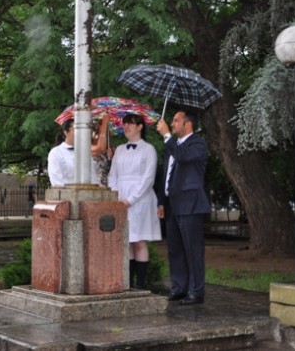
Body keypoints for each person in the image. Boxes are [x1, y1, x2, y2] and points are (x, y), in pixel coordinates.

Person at [156, 111, 210, 305]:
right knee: (175, 250)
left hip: (190, 205)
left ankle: (196, 291)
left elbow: (184, 158)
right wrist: (161, 201)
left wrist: (166, 136)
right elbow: (166, 175)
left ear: (188, 124)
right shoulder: (173, 146)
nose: (172, 123)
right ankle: (179, 287)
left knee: (193, 249)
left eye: (176, 120)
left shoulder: (197, 143)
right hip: (172, 206)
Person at [108, 114, 161, 289]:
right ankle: (128, 282)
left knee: (139, 240)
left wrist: (131, 199)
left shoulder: (148, 149)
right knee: (127, 239)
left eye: (130, 123)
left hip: (141, 199)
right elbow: (113, 175)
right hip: (121, 199)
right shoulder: (120, 149)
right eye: (124, 124)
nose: (126, 127)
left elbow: (148, 178)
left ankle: (141, 283)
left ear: (140, 127)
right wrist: (116, 196)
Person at [48, 116, 107, 187]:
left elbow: (94, 177)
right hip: (68, 195)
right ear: (66, 132)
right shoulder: (56, 153)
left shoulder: (85, 150)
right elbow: (57, 182)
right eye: (76, 129)